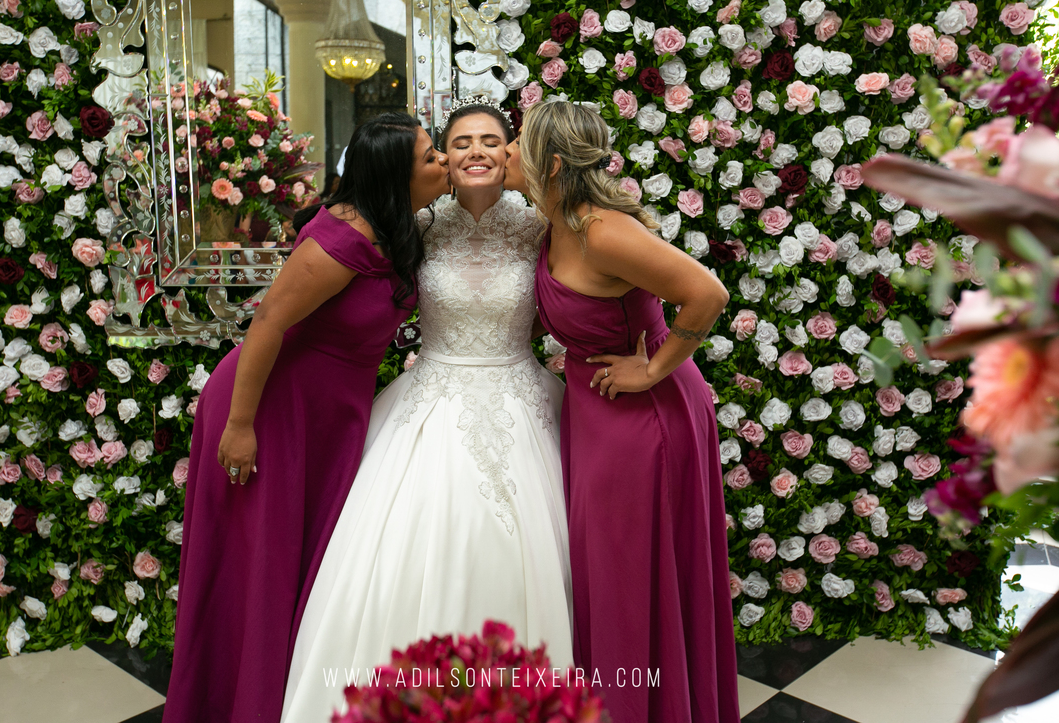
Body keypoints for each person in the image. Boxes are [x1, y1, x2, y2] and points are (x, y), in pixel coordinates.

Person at [280, 100, 573, 722]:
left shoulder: (538, 226)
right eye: (460, 141)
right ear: (443, 156)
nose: (475, 151)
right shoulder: (417, 224)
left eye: (490, 140)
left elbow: (579, 290)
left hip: (521, 399)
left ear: (511, 153)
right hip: (430, 399)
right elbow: (347, 280)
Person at [164, 112, 451, 723]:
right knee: (258, 566)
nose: (444, 162)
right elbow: (268, 322)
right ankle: (235, 705)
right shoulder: (340, 242)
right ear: (394, 176)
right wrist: (240, 426)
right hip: (272, 410)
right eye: (431, 157)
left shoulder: (395, 224)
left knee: (303, 564)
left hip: (328, 418)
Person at [507, 101, 739, 723]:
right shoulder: (551, 224)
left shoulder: (601, 231)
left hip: (644, 416)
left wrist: (654, 369)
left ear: (552, 163)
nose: (507, 151)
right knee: (610, 571)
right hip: (595, 413)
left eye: (517, 142)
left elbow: (707, 293)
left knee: (627, 573)